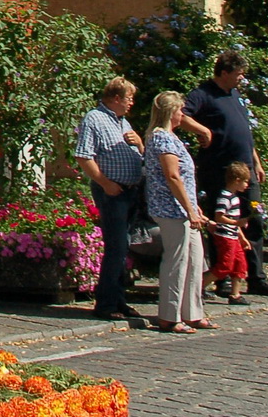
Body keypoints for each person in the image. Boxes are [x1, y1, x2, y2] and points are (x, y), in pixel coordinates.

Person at [184, 53, 268, 297]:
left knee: (253, 218)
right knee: (222, 223)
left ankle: (255, 277)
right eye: (238, 73)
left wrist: (256, 162)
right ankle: (221, 278)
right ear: (224, 72)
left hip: (246, 171)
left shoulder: (235, 95)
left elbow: (244, 131)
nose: (241, 78)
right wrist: (201, 129)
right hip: (220, 172)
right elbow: (180, 115)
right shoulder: (203, 94)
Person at [74, 77, 145, 322]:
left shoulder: (121, 120)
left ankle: (119, 299)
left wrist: (140, 145)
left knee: (123, 247)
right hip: (112, 192)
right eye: (129, 98)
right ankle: (105, 303)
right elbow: (84, 156)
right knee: (116, 248)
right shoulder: (95, 118)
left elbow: (134, 154)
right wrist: (106, 183)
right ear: (116, 98)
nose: (131, 103)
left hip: (130, 191)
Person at [145, 90, 210, 334]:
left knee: (194, 258)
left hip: (184, 208)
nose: (182, 115)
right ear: (171, 112)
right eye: (180, 110)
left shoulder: (172, 138)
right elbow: (172, 176)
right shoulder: (162, 138)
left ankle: (192, 312)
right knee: (177, 260)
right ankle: (169, 316)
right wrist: (188, 209)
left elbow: (184, 178)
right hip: (170, 208)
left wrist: (195, 209)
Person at [203, 161, 253, 307]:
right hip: (225, 236)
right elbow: (219, 217)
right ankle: (199, 286)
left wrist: (242, 238)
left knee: (240, 264)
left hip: (233, 236)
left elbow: (235, 221)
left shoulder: (235, 197)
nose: (246, 185)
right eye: (245, 182)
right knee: (225, 265)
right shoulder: (225, 197)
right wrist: (236, 224)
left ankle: (235, 294)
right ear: (237, 181)